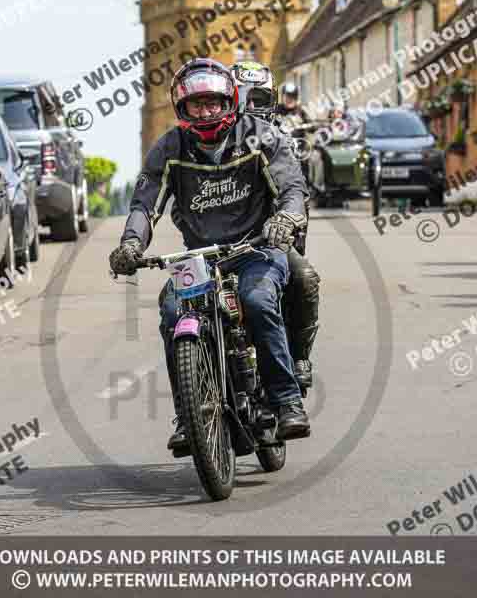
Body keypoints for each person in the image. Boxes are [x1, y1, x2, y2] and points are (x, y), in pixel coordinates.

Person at [109, 58, 310, 454]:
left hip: (257, 248)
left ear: (229, 101)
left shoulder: (262, 137)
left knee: (258, 300)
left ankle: (287, 401)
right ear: (182, 107)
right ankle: (189, 416)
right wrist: (132, 242)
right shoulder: (169, 147)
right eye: (195, 104)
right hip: (197, 258)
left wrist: (285, 219)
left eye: (212, 103)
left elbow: (292, 188)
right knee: (172, 312)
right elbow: (145, 204)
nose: (205, 111)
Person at [231, 61, 320, 396]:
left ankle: (300, 358)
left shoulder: (281, 134)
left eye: (260, 98)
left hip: (274, 239)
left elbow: (295, 189)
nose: (252, 106)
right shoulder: (216, 137)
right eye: (245, 97)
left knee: (304, 278)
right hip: (220, 242)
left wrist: (286, 221)